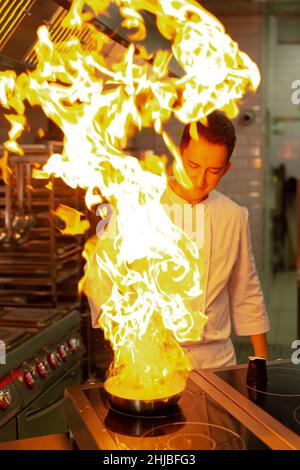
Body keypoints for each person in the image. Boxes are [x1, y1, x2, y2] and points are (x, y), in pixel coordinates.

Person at [161, 110, 270, 369]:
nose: (200, 180)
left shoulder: (233, 215)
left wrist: (261, 363)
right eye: (193, 166)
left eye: (212, 170)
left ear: (226, 169)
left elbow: (246, 289)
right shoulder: (143, 204)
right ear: (179, 154)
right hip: (154, 359)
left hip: (216, 361)